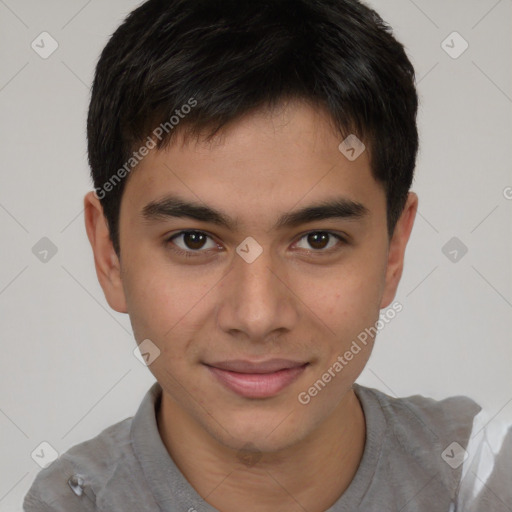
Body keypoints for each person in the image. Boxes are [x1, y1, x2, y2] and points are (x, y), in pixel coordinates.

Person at [22, 0, 494, 510]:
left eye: (318, 239)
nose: (257, 315)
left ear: (393, 251)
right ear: (109, 253)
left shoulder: (480, 473)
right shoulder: (69, 502)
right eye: (194, 240)